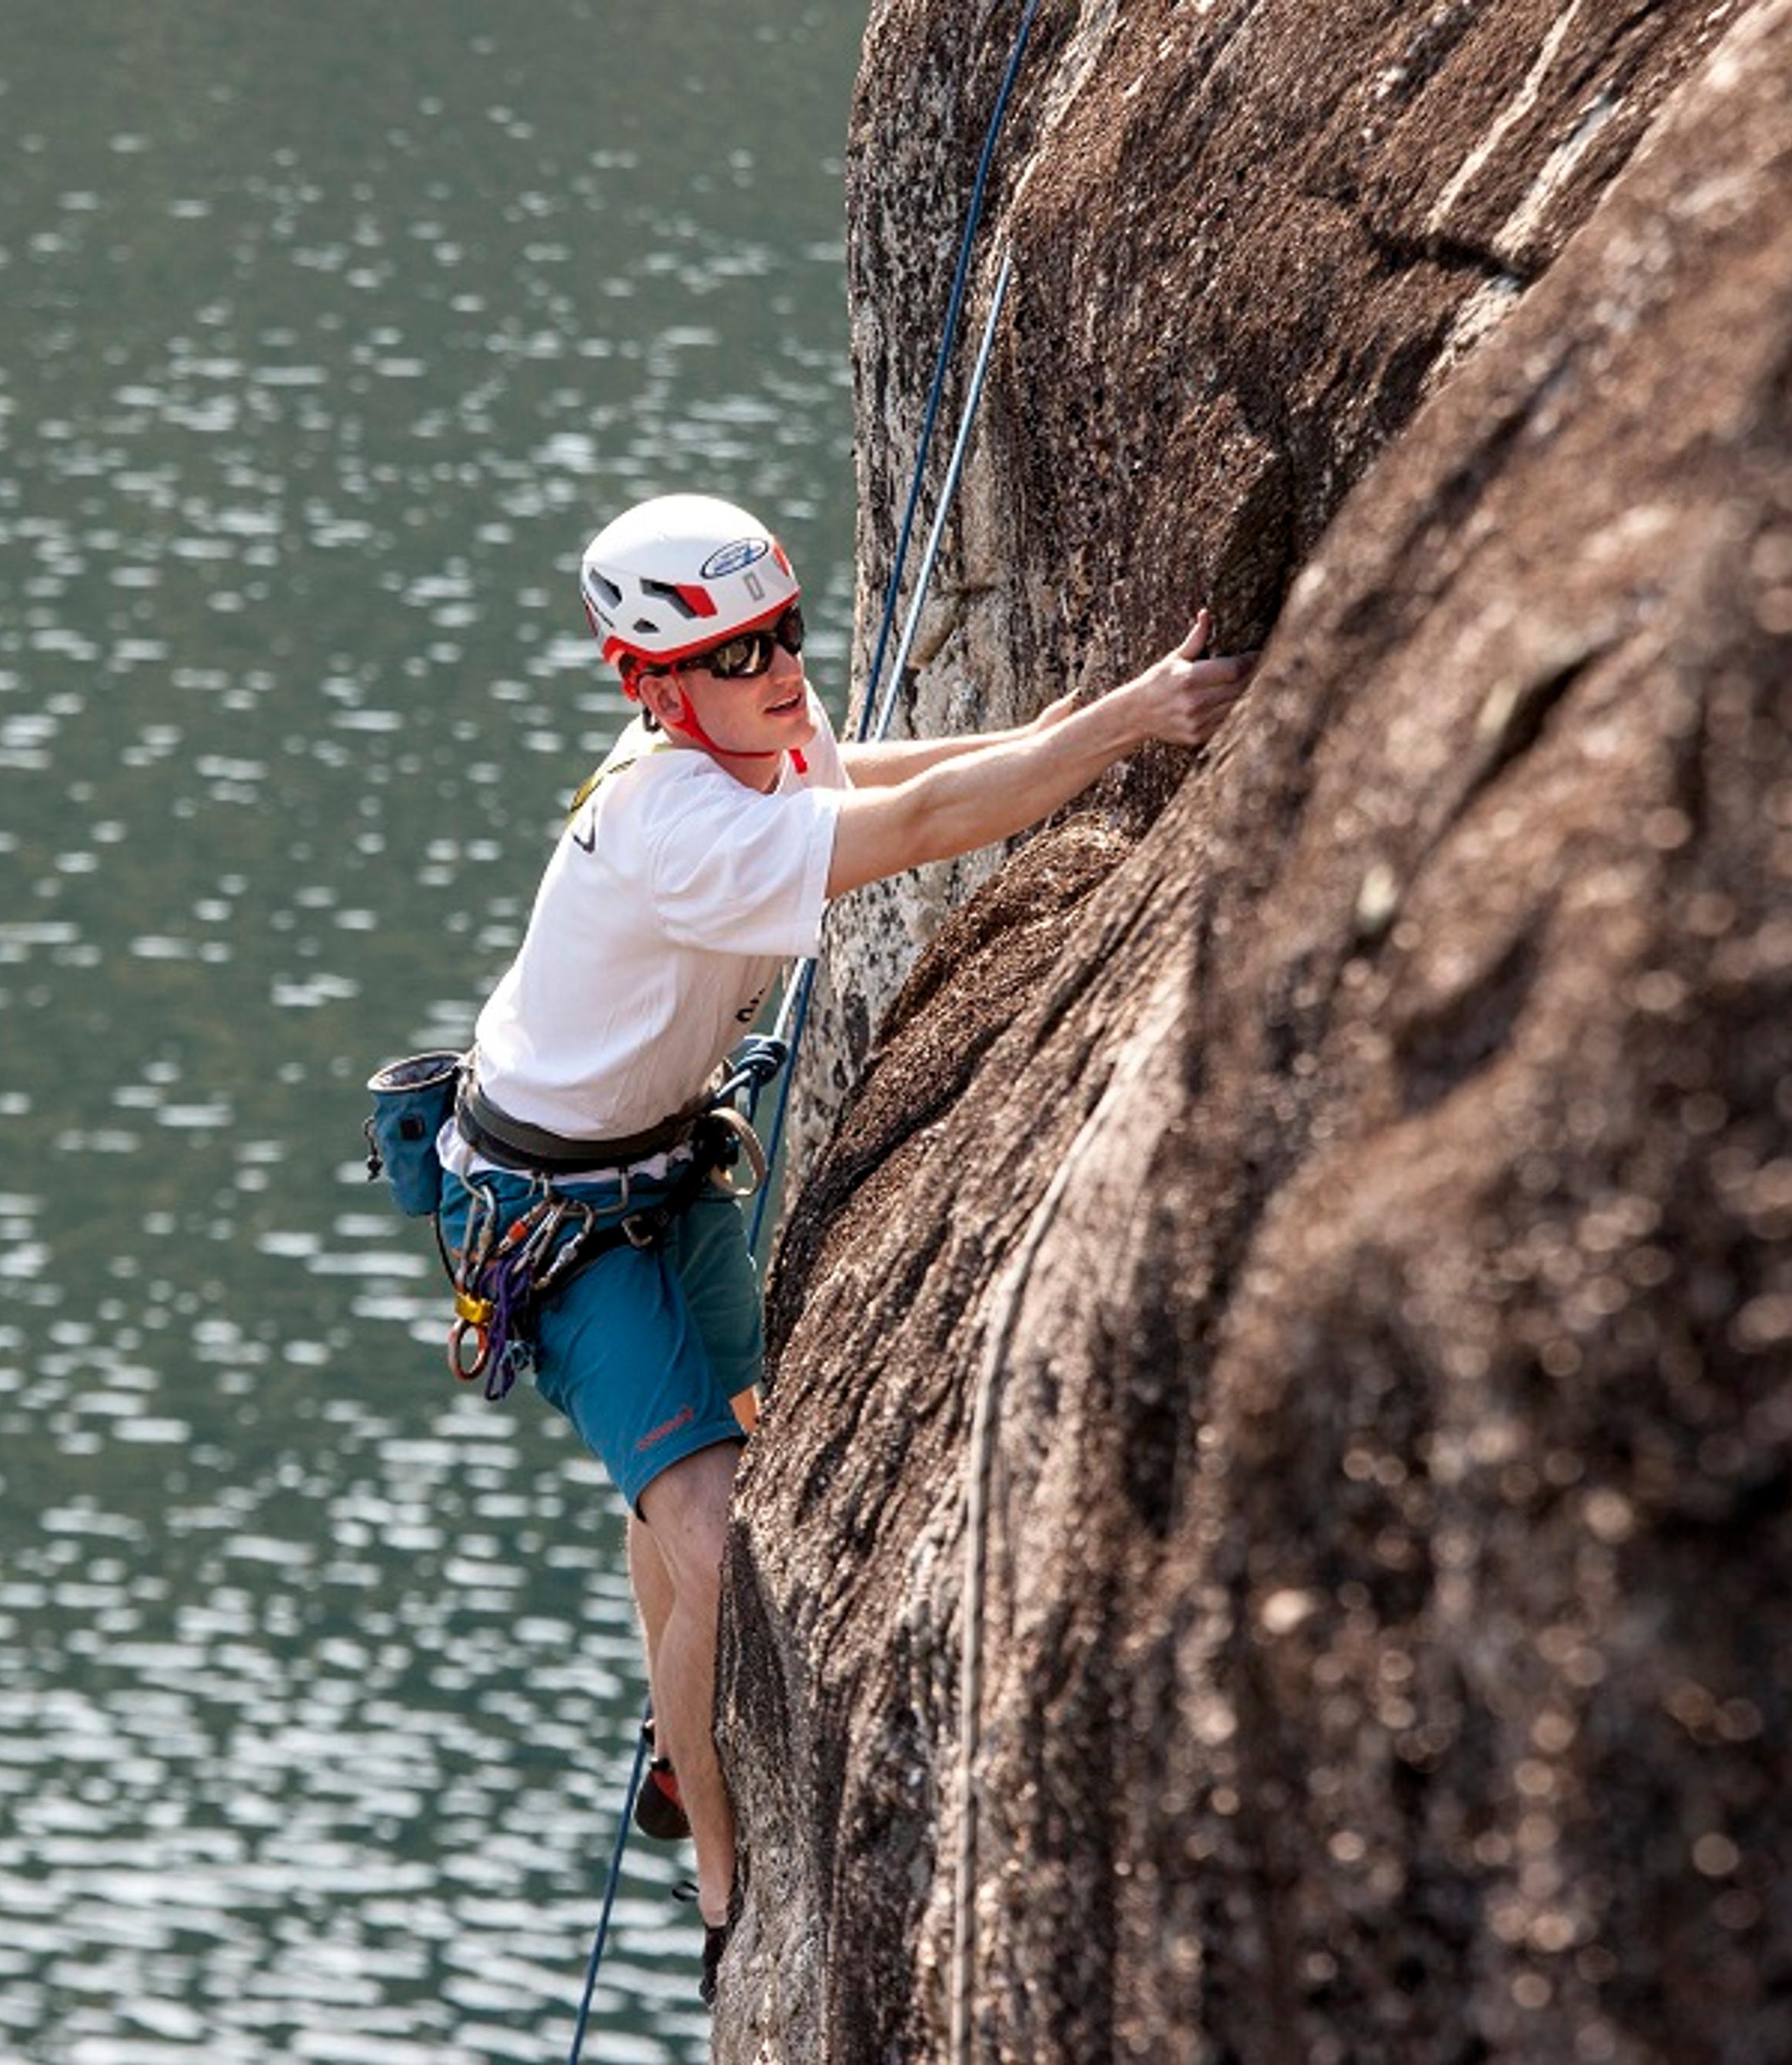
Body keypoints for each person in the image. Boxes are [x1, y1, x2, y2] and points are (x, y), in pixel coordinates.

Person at [436, 492, 1253, 2000]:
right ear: (650, 684)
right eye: (739, 652)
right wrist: (1121, 730)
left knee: (690, 1472)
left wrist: (1048, 728)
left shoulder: (745, 742)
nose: (780, 669)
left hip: (660, 1175)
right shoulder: (673, 813)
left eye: (786, 635)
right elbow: (919, 831)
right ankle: (718, 1871)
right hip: (565, 1227)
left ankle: (678, 1759)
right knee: (716, 1525)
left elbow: (860, 774)